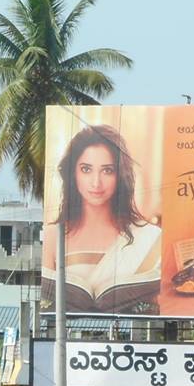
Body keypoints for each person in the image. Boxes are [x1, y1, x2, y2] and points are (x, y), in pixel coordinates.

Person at [41, 124, 162, 314]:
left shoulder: (150, 237)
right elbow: (46, 305)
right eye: (86, 169)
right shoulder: (53, 236)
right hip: (65, 336)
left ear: (121, 175)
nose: (96, 182)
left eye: (107, 171)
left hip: (130, 335)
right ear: (73, 173)